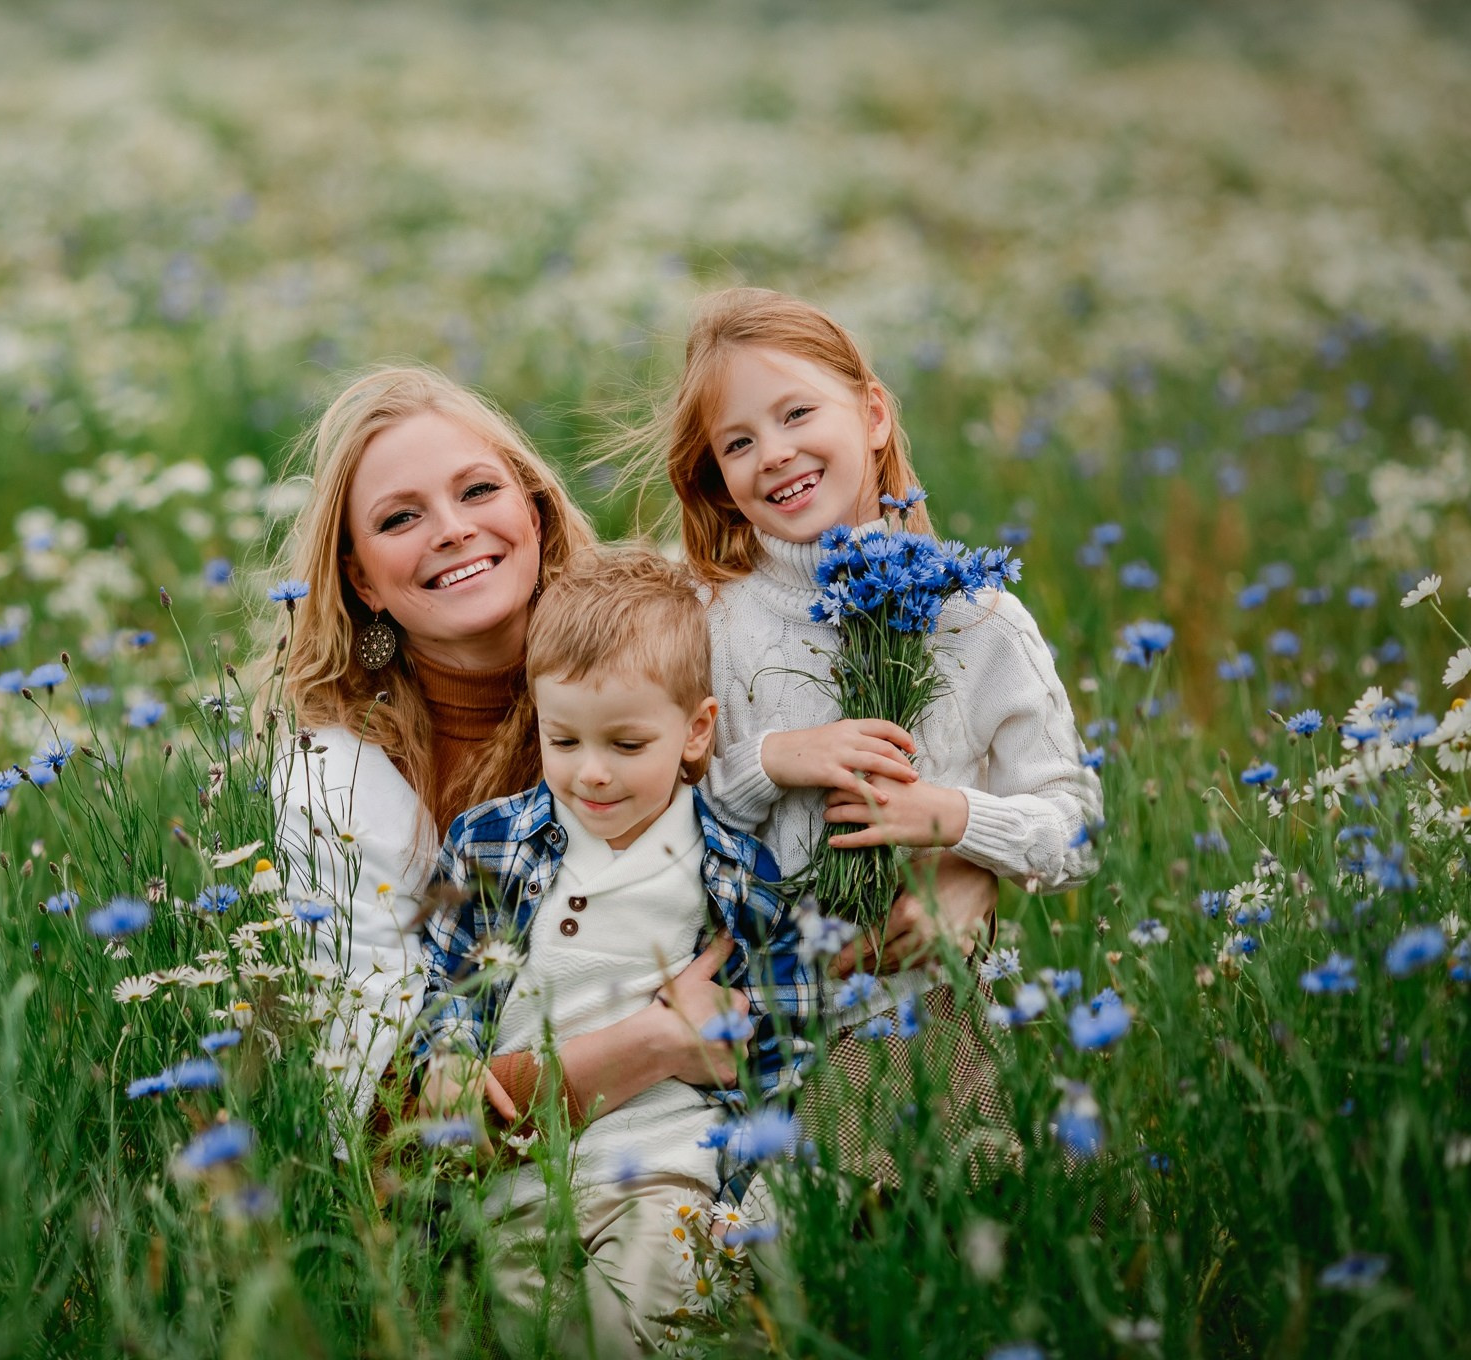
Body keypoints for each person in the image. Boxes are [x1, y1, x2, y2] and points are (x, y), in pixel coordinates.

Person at [268, 362, 997, 1130]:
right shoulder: (334, 788)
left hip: (760, 1091)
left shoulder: (665, 638)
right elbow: (391, 1123)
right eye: (398, 519)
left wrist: (972, 868)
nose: (452, 528)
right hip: (527, 1181)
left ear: (536, 511)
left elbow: (891, 765)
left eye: (478, 490)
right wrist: (653, 1044)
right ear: (362, 582)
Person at [637, 286, 1104, 1179]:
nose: (774, 454)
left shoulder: (977, 620)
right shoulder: (711, 622)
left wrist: (957, 824)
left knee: (969, 1202)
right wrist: (769, 761)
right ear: (717, 477)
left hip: (934, 1001)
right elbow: (657, 820)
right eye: (738, 443)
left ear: (875, 413)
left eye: (797, 413)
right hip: (762, 1017)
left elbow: (1074, 827)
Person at [412, 546, 812, 1356]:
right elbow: (450, 990)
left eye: (627, 745)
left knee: (632, 1327)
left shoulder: (731, 870)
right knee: (535, 1333)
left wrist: (768, 1191)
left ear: (696, 731)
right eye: (564, 741)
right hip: (521, 1183)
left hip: (667, 1173)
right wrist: (449, 1055)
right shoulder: (491, 844)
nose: (591, 775)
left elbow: (781, 1038)